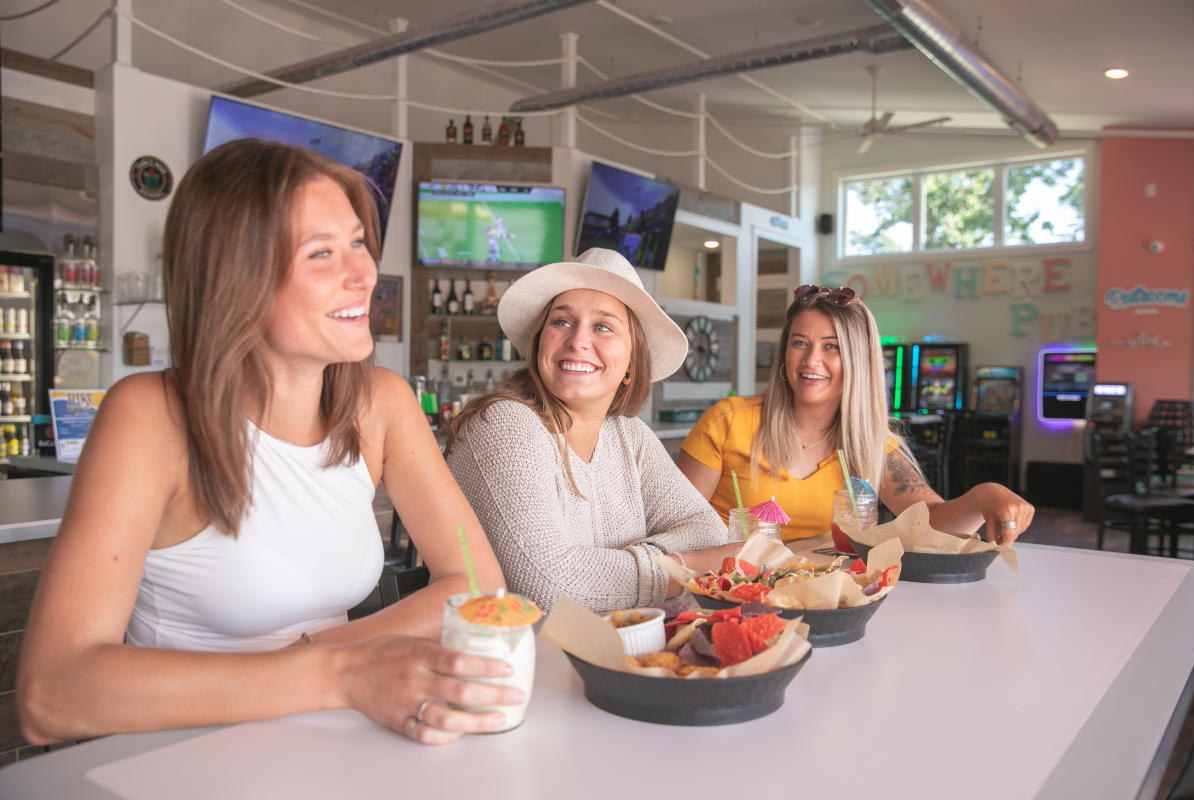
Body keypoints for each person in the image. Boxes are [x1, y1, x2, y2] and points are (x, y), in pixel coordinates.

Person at [17, 139, 518, 747]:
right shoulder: (152, 417)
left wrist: (331, 664)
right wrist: (338, 673)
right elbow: (52, 694)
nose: (364, 274)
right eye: (322, 253)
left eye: (358, 243)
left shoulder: (380, 402)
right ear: (238, 278)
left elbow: (474, 581)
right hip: (178, 756)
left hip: (331, 741)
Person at [443, 248, 740, 613]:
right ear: (540, 345)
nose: (578, 340)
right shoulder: (505, 424)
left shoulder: (629, 436)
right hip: (503, 659)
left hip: (609, 649)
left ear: (631, 365)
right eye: (562, 322)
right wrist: (690, 565)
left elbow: (708, 531)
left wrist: (604, 566)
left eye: (602, 326)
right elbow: (550, 587)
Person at [678, 284, 1034, 546]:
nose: (810, 360)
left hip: (825, 597)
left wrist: (983, 497)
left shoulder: (871, 444)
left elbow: (929, 522)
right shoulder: (726, 423)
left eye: (831, 347)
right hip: (729, 592)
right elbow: (675, 527)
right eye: (799, 342)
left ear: (859, 362)